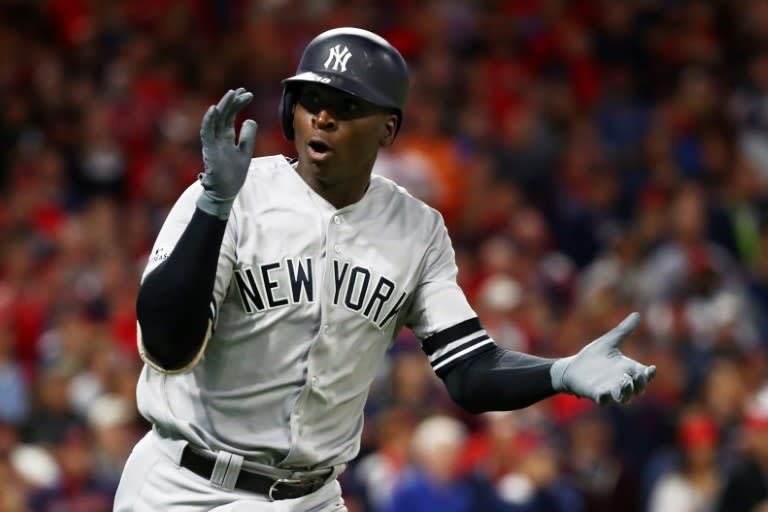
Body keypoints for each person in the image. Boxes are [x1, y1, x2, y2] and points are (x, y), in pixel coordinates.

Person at [113, 27, 656, 511]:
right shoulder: (232, 193)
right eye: (311, 100)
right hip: (186, 488)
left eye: (346, 106)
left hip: (311, 496)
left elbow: (469, 371)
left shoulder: (416, 229)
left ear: (387, 130)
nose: (322, 116)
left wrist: (558, 372)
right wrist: (214, 205)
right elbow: (167, 346)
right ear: (289, 112)